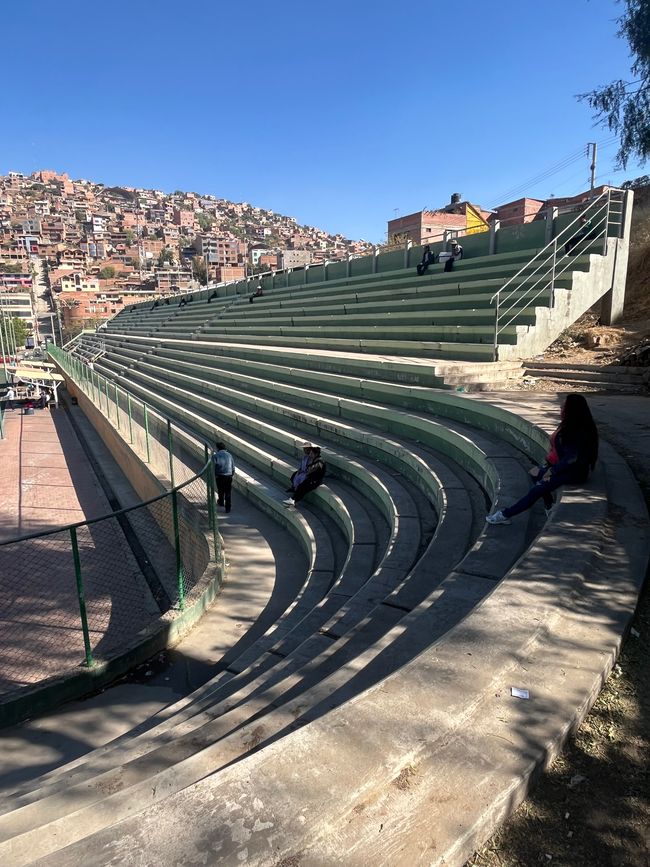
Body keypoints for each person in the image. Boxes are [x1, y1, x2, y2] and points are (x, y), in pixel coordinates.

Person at [486, 394, 599, 525]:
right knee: (534, 473)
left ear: (573, 410)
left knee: (537, 489)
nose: (561, 407)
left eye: (565, 406)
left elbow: (571, 458)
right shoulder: (568, 425)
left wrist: (552, 471)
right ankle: (549, 504)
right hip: (562, 468)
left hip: (573, 472)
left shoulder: (577, 431)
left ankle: (505, 514)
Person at [213, 441, 235, 513]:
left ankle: (221, 501)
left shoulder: (215, 456)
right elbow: (233, 466)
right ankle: (228, 507)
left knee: (220, 489)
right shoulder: (229, 455)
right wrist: (231, 474)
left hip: (220, 475)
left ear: (218, 448)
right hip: (228, 475)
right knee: (228, 491)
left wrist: (215, 474)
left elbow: (213, 466)